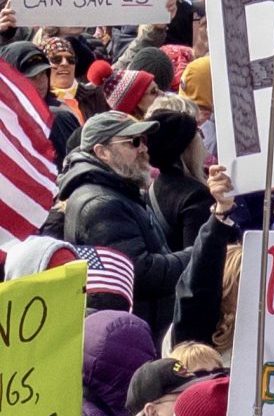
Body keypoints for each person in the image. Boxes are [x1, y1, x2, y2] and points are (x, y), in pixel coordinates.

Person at [50, 111, 224, 337]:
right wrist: (202, 252)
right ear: (102, 152)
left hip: (142, 325)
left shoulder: (117, 189)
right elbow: (142, 272)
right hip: (137, 331)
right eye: (133, 142)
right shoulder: (102, 203)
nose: (143, 148)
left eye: (143, 140)